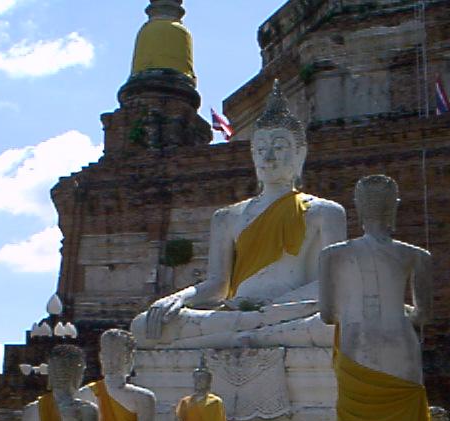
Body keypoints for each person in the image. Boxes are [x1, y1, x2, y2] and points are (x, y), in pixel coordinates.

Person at [131, 80, 346, 349]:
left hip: (290, 311)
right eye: (260, 149)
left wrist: (272, 307)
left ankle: (240, 334)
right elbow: (217, 285)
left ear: (299, 154)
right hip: (238, 314)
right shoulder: (227, 217)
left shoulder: (324, 212)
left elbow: (332, 282)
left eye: (279, 148)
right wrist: (178, 298)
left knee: (337, 324)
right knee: (143, 326)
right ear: (253, 155)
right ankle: (251, 333)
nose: (268, 158)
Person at [319, 175, 444, 421]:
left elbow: (327, 314)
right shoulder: (416, 255)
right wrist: (400, 309)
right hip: (401, 348)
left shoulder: (332, 255)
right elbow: (423, 315)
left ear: (358, 209)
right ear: (394, 209)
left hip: (358, 347)